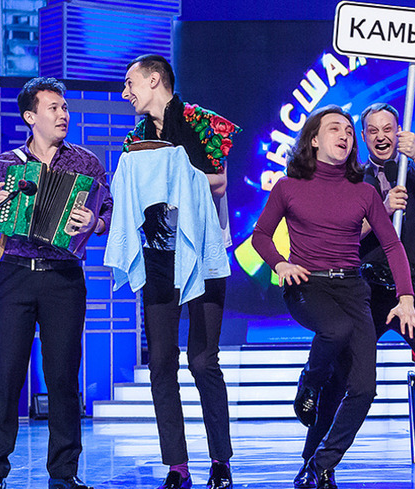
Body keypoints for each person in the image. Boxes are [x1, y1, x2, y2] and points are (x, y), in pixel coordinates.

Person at [292, 103, 415, 488]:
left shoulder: (414, 171)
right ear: (363, 137)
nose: (381, 136)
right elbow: (340, 236)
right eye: (372, 130)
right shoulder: (352, 180)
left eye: (388, 129)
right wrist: (380, 211)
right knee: (341, 380)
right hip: (366, 291)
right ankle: (313, 462)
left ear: (399, 132)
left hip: (413, 292)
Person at [251, 105, 415, 489]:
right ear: (314, 139)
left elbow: (393, 246)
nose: (344, 135)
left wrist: (406, 296)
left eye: (348, 131)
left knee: (363, 389)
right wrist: (280, 264)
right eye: (335, 129)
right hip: (306, 285)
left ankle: (321, 463)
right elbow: (260, 236)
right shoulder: (288, 187)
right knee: (336, 329)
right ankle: (309, 381)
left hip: (351, 288)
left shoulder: (364, 192)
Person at [0, 77, 112, 489]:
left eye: (64, 107)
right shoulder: (6, 164)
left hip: (64, 278)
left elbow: (108, 209)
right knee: (6, 373)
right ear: (31, 117)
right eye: (53, 108)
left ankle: (64, 472)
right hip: (15, 273)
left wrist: (95, 221)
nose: (63, 114)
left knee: (63, 376)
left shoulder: (86, 162)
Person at [120, 54, 240, 489]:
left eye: (130, 83)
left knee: (203, 360)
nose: (125, 93)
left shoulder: (203, 123)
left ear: (155, 80)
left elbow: (218, 181)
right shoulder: (136, 140)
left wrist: (170, 180)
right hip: (158, 255)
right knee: (160, 363)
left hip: (203, 253)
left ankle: (220, 460)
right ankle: (177, 465)